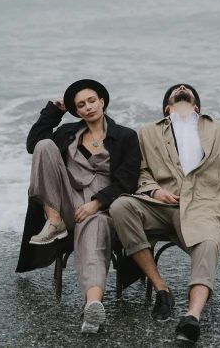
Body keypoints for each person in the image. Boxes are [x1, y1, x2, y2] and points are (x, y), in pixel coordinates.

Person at [109, 84, 220, 343]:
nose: (182, 87)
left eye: (187, 89)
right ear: (167, 108)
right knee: (120, 207)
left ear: (197, 107)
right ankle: (161, 288)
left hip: (203, 207)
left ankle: (192, 316)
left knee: (208, 243)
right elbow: (140, 171)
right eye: (176, 89)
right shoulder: (147, 132)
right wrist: (155, 192)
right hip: (159, 207)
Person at [15, 79, 140, 334]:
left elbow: (127, 180)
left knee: (94, 238)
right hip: (65, 202)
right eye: (80, 105)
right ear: (77, 110)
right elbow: (33, 145)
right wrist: (55, 111)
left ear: (102, 101)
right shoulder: (67, 132)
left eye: (91, 101)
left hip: (102, 207)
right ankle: (53, 220)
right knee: (44, 145)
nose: (88, 107)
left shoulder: (126, 136)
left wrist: (96, 204)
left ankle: (92, 306)